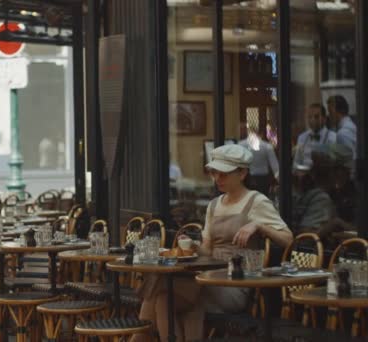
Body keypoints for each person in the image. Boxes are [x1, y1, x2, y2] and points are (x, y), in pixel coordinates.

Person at [132, 145, 292, 341]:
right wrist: (192, 245)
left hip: (234, 284)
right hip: (207, 277)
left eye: (223, 174)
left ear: (242, 173)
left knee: (164, 289)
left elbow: (287, 238)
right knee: (164, 298)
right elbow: (207, 249)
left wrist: (258, 226)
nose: (217, 179)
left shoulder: (256, 201)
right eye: (215, 173)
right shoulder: (214, 205)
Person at [238, 123, 279, 196]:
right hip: (263, 179)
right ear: (261, 134)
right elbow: (275, 166)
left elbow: (237, 162)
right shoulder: (267, 146)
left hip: (246, 178)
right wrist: (279, 179)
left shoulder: (240, 145)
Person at [293, 103, 336, 169]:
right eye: (309, 117)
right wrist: (302, 170)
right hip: (305, 176)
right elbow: (296, 163)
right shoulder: (302, 137)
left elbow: (334, 164)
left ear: (324, 119)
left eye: (316, 117)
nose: (312, 120)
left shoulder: (333, 137)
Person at [327, 95, 356, 171]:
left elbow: (349, 163)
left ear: (339, 111)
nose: (329, 116)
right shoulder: (351, 126)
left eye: (330, 112)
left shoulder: (342, 134)